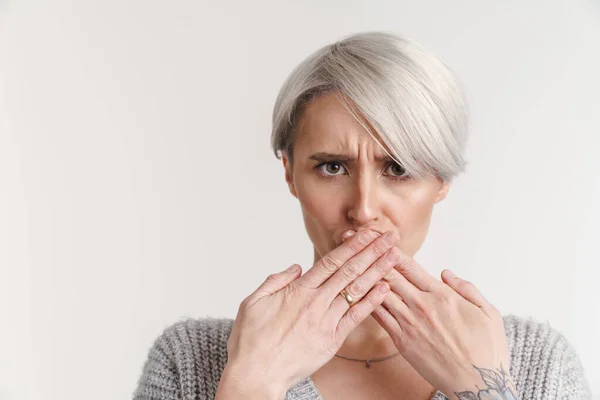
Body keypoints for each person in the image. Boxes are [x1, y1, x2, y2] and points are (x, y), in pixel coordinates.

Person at [133, 31, 591, 400]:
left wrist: (483, 391)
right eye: (332, 167)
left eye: (398, 168)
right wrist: (251, 386)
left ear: (442, 181)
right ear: (290, 172)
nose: (364, 208)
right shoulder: (191, 360)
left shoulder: (539, 365)